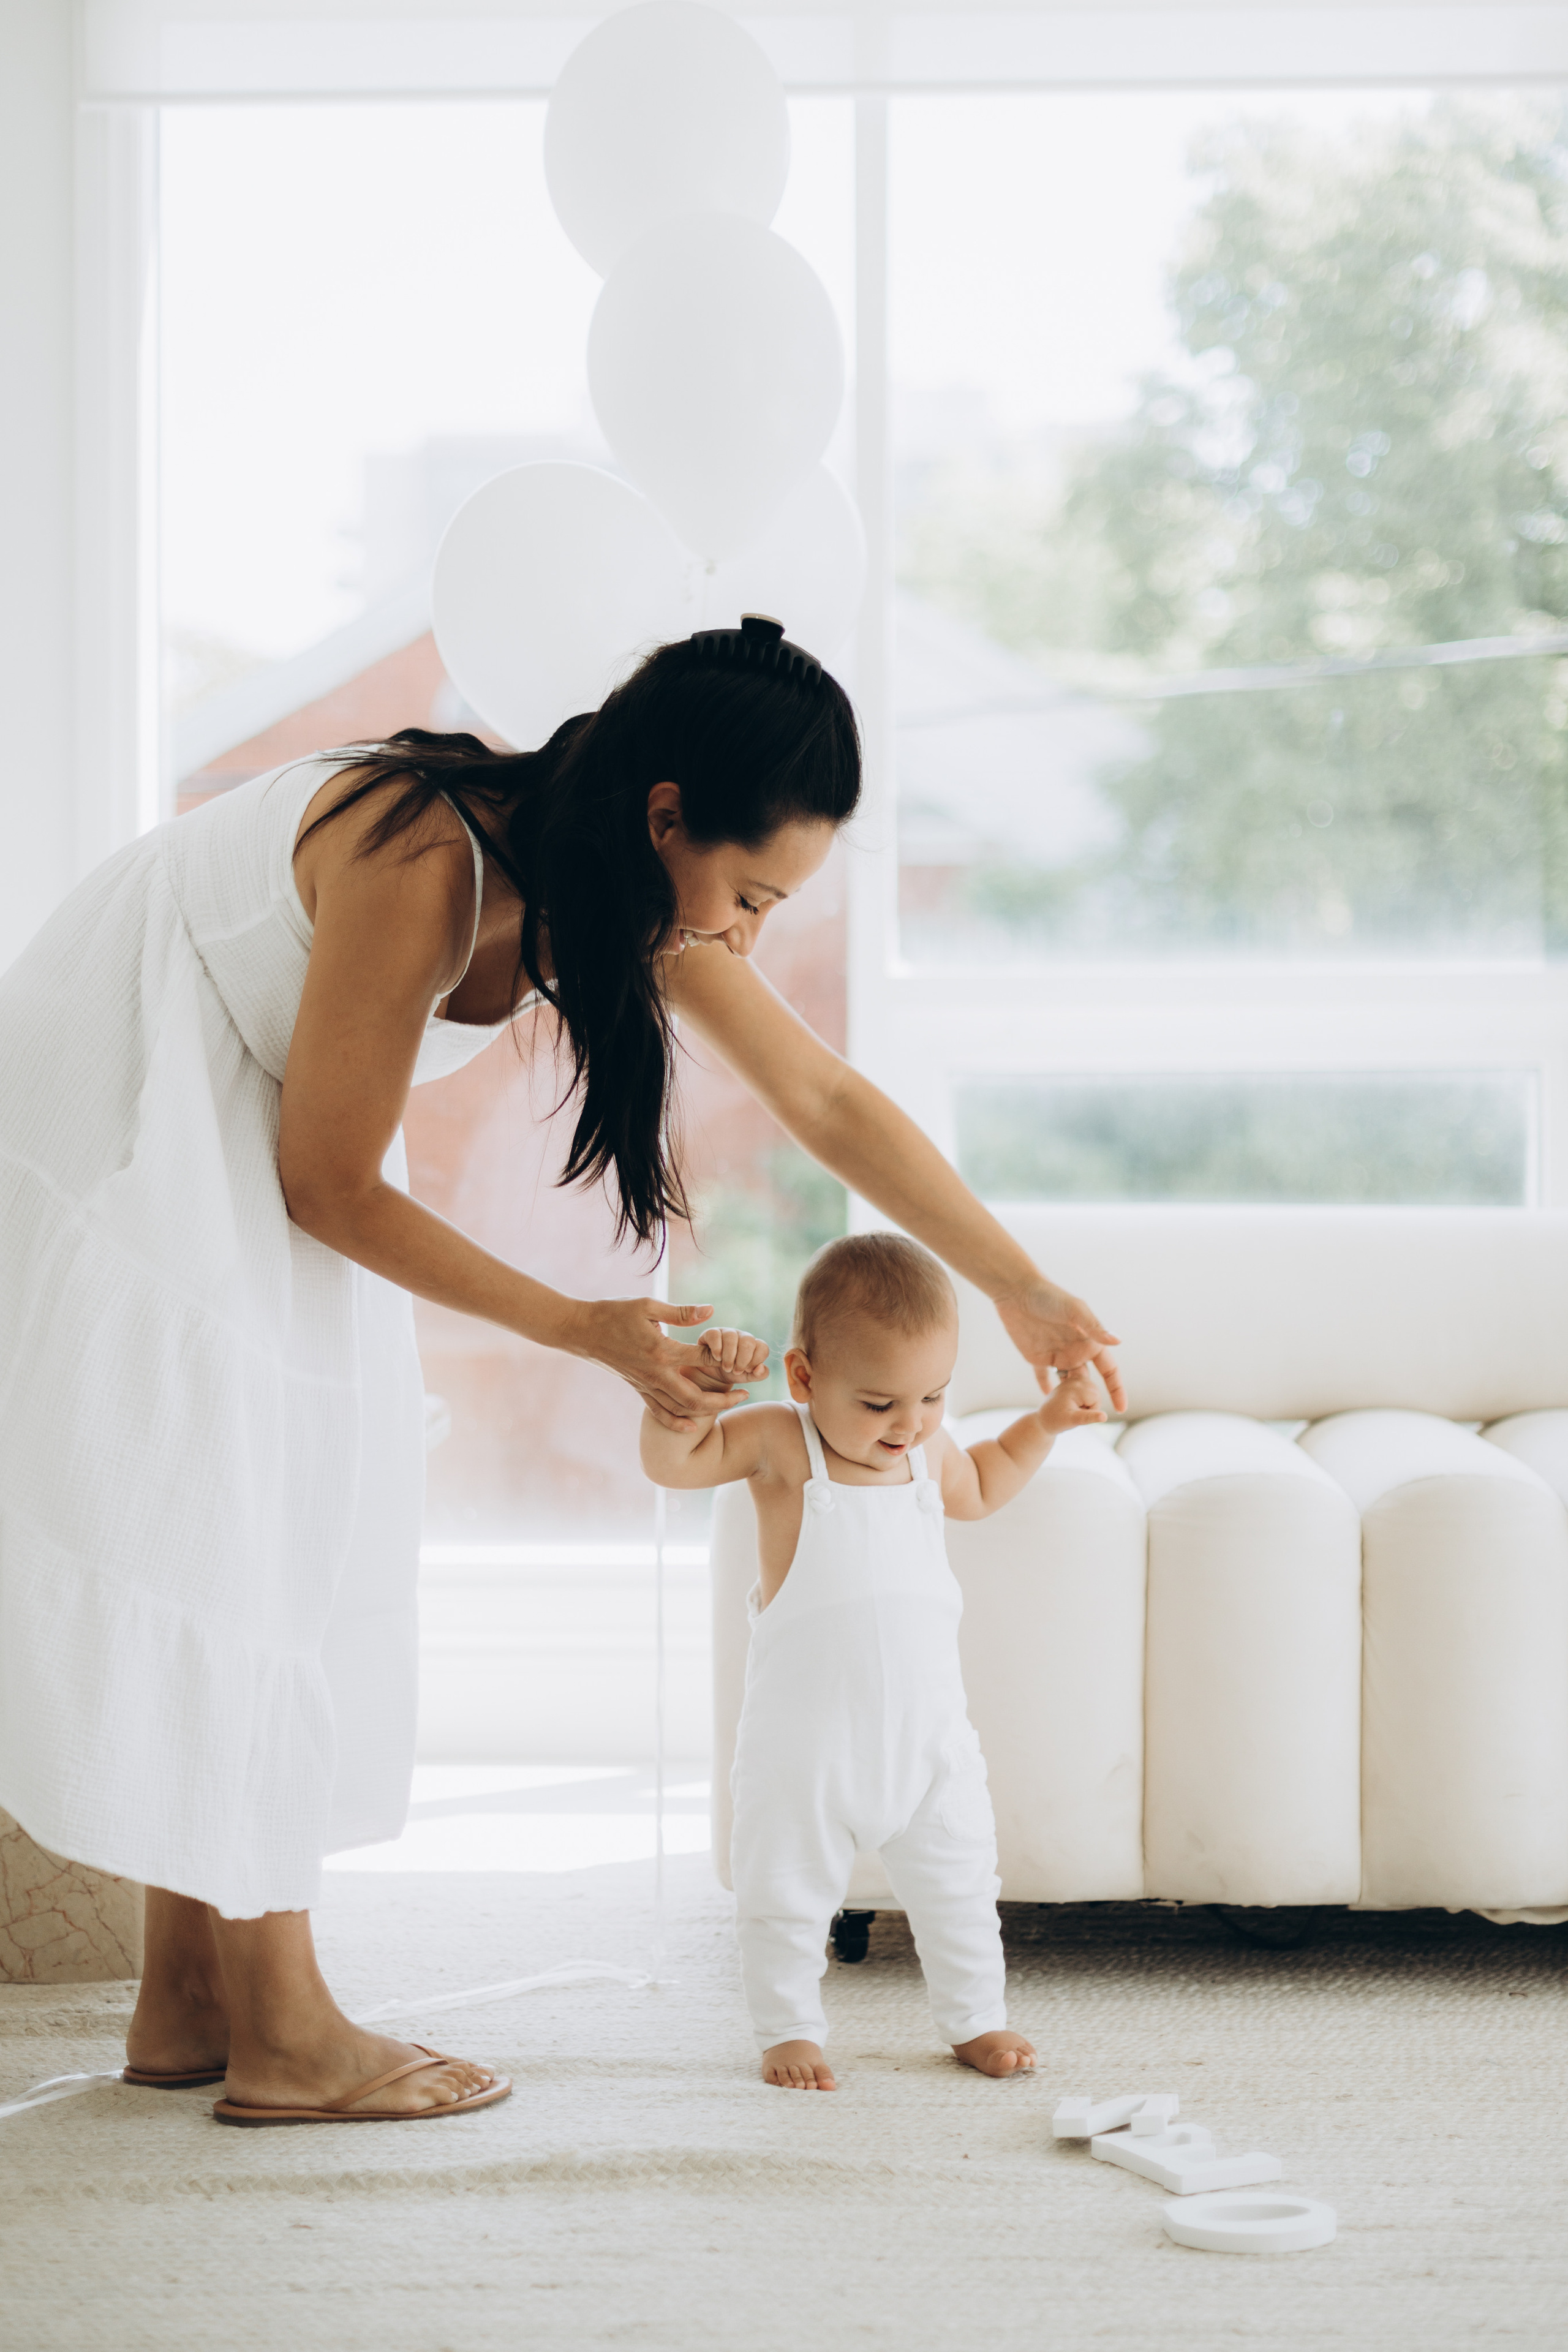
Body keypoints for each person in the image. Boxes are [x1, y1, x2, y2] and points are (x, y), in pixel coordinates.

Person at [0, 614, 1121, 2124]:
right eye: (749, 894)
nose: (748, 936)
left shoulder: (627, 889)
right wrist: (586, 1328)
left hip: (240, 1112)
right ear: (665, 816)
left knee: (280, 1512)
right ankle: (285, 2033)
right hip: (119, 1101)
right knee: (247, 1526)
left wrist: (1021, 1287)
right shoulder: (420, 857)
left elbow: (824, 1099)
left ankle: (193, 1997)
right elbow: (327, 1185)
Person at [639, 1231, 1109, 2090]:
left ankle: (975, 2017)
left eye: (933, 1396)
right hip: (803, 1755)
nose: (910, 1423)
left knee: (963, 1890)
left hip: (929, 1748)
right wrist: (694, 1397)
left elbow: (986, 1483)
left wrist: (1046, 1424)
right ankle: (788, 2029)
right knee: (782, 1896)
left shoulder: (928, 1455)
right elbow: (674, 1466)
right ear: (804, 1378)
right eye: (880, 1402)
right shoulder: (779, 1444)